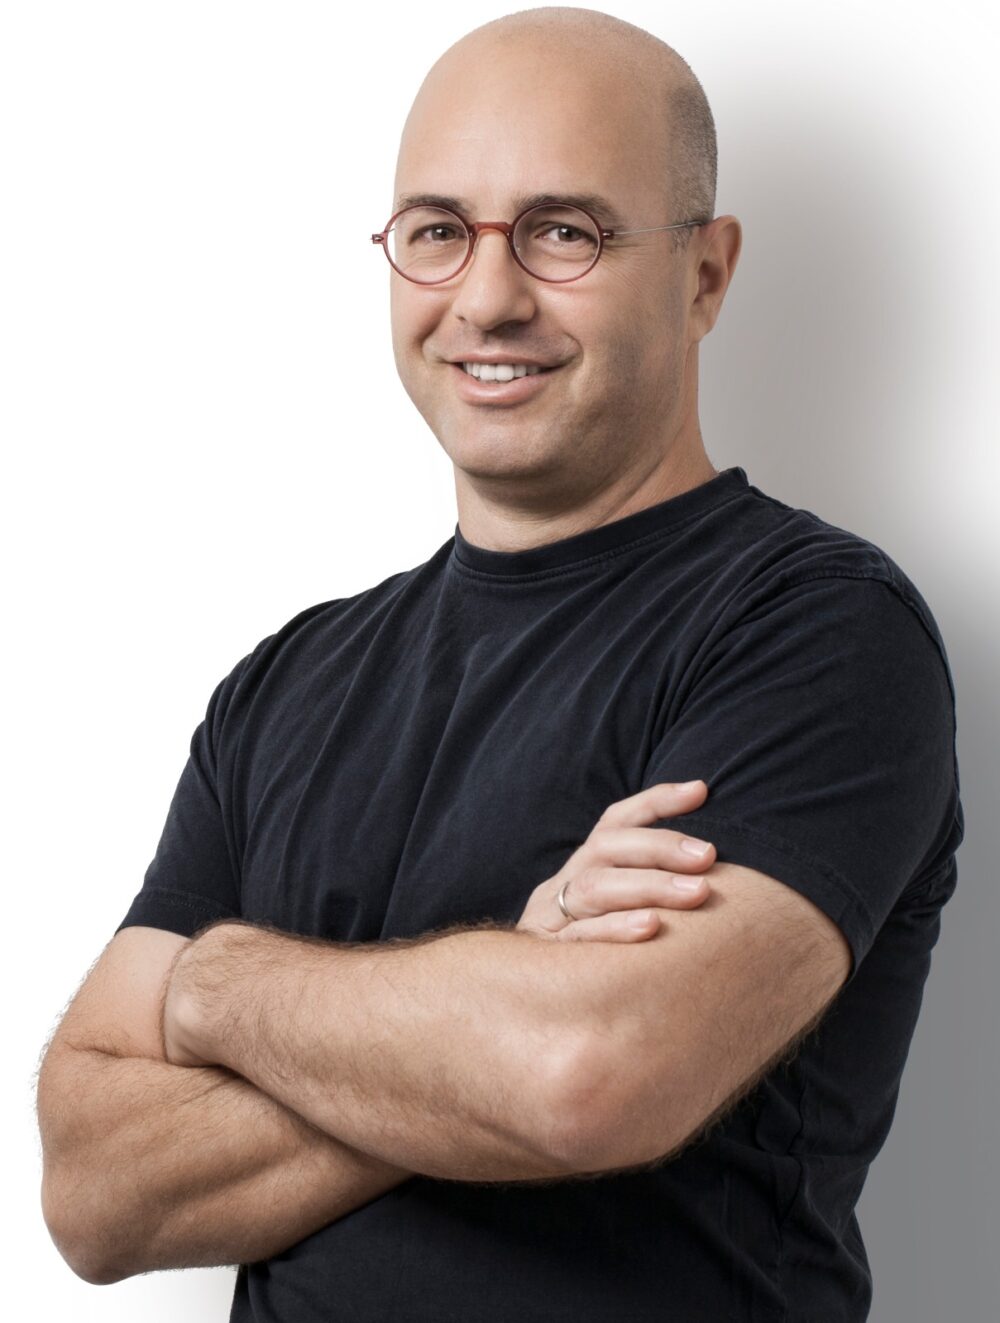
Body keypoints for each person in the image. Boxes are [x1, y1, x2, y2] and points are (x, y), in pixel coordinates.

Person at [37, 7, 964, 1321]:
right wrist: (501, 980)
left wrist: (209, 985)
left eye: (562, 231)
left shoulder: (814, 630)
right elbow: (94, 1196)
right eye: (437, 231)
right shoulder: (285, 684)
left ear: (706, 275)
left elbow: (582, 1076)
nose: (486, 298)